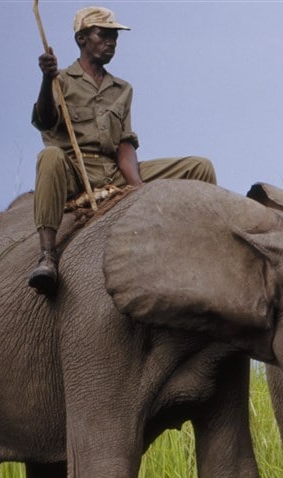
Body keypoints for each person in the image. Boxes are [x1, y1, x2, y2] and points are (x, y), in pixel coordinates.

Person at [28, 6, 217, 296]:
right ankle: (47, 256)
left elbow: (125, 144)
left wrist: (138, 187)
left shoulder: (122, 89)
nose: (111, 42)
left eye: (114, 37)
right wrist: (46, 78)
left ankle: (206, 243)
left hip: (112, 170)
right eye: (102, 34)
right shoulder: (61, 80)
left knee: (199, 167)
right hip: (74, 170)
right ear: (81, 39)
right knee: (49, 157)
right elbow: (44, 120)